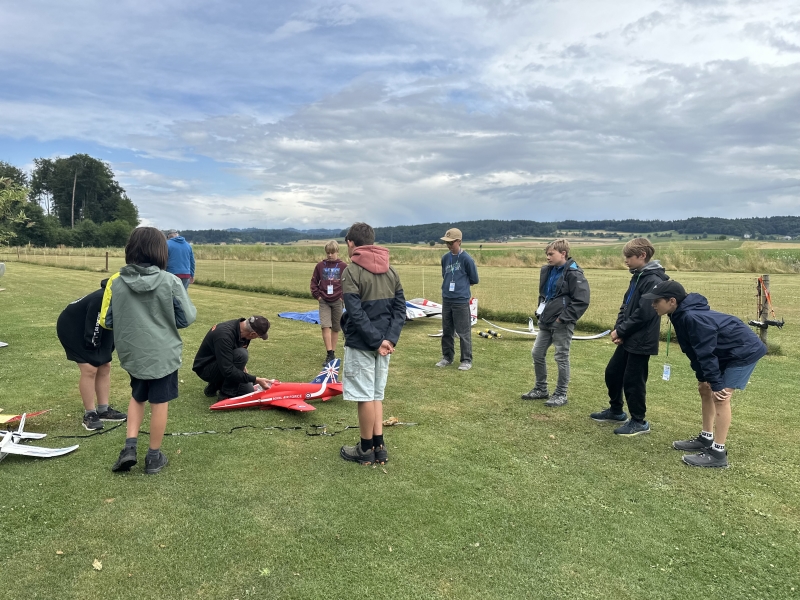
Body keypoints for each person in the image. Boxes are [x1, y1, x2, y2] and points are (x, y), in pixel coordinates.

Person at [101, 227, 197, 475]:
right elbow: (186, 317)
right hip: (163, 354)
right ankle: (153, 457)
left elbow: (108, 321)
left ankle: (129, 447)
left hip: (133, 354)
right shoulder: (170, 281)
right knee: (159, 402)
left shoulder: (117, 282)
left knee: (137, 396)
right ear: (161, 251)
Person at [644, 280, 767, 468]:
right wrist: (703, 378)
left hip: (743, 351)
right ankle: (706, 438)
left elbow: (705, 352)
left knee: (721, 396)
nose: (653, 304)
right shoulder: (678, 315)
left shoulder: (692, 317)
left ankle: (718, 454)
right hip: (725, 351)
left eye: (656, 301)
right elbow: (692, 350)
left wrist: (716, 384)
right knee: (704, 388)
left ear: (672, 301)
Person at [339, 222, 406, 466]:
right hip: (384, 344)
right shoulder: (392, 271)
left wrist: (377, 342)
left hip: (362, 343)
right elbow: (400, 309)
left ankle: (365, 448)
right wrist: (389, 339)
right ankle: (379, 447)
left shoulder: (351, 271)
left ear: (351, 243)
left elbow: (355, 312)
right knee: (376, 394)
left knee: (364, 396)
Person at [590, 238, 668, 435]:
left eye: (629, 256)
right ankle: (616, 411)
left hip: (642, 339)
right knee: (613, 372)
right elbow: (626, 305)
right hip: (628, 336)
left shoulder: (653, 280)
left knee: (634, 380)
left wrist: (622, 331)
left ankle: (639, 421)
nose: (625, 260)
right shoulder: (637, 276)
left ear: (642, 255)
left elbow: (645, 313)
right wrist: (618, 329)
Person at [521, 238, 590, 407]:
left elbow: (581, 301)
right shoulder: (547, 270)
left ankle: (561, 394)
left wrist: (562, 319)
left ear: (563, 253)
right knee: (537, 353)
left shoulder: (574, 273)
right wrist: (540, 311)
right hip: (545, 320)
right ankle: (541, 389)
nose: (547, 257)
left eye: (551, 254)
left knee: (561, 357)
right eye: (547, 254)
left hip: (562, 323)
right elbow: (545, 294)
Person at [56, 279, 127, 431]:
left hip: (99, 328)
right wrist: (93, 347)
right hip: (73, 328)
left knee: (105, 365)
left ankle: (103, 410)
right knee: (90, 369)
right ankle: (89, 414)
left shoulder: (124, 299)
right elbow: (93, 326)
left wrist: (108, 348)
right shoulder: (100, 299)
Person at [192, 316, 273, 399]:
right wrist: (255, 379)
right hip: (205, 369)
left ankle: (216, 385)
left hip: (221, 363)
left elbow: (234, 354)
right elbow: (228, 370)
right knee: (242, 354)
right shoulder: (224, 335)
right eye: (259, 336)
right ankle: (225, 395)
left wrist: (242, 367)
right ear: (253, 334)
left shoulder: (243, 331)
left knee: (248, 390)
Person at [435, 228, 479, 371]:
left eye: (451, 243)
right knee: (447, 331)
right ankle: (447, 357)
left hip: (461, 300)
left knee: (463, 332)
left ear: (459, 242)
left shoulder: (467, 259)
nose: (448, 245)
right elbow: (445, 275)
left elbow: (474, 279)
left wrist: (461, 286)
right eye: (446, 243)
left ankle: (466, 360)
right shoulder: (445, 258)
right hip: (447, 299)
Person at [310, 240, 348, 366]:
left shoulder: (343, 266)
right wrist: (318, 296)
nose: (330, 255)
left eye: (332, 252)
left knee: (336, 327)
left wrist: (342, 297)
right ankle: (329, 353)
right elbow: (314, 282)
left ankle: (333, 352)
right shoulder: (320, 266)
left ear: (337, 252)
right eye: (328, 253)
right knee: (325, 325)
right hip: (324, 301)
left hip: (337, 300)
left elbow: (348, 284)